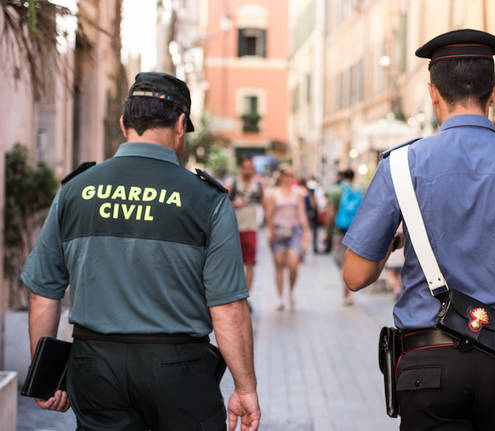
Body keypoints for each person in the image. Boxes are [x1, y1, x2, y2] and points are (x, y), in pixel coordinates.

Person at [342, 29, 495, 431]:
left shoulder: (401, 166)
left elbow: (355, 276)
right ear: (494, 92)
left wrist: (399, 240)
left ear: (433, 93)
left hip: (427, 369)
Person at [22, 72, 261, 431]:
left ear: (123, 124)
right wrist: (245, 387)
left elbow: (43, 293)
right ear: (181, 124)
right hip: (178, 370)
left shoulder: (75, 190)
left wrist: (46, 375)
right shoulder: (206, 198)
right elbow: (227, 306)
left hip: (95, 367)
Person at [265, 164, 310, 310]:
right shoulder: (274, 194)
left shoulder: (297, 193)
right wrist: (269, 231)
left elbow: (302, 213)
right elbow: (269, 215)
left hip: (294, 231)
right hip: (278, 231)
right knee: (278, 266)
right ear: (282, 176)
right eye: (289, 174)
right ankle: (280, 298)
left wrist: (306, 231)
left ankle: (290, 291)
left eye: (292, 174)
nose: (291, 177)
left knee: (293, 264)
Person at [227, 156, 264, 293]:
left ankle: (246, 296)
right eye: (246, 167)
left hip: (251, 228)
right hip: (234, 229)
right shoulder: (232, 185)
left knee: (250, 263)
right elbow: (221, 204)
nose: (248, 171)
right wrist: (233, 204)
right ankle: (236, 293)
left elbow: (264, 204)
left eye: (250, 168)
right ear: (241, 168)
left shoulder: (258, 186)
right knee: (235, 264)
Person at [331, 168, 362, 306]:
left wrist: (326, 232)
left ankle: (347, 291)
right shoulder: (359, 190)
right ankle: (348, 291)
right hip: (355, 229)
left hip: (340, 229)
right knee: (350, 260)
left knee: (340, 261)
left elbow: (330, 212)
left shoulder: (337, 191)